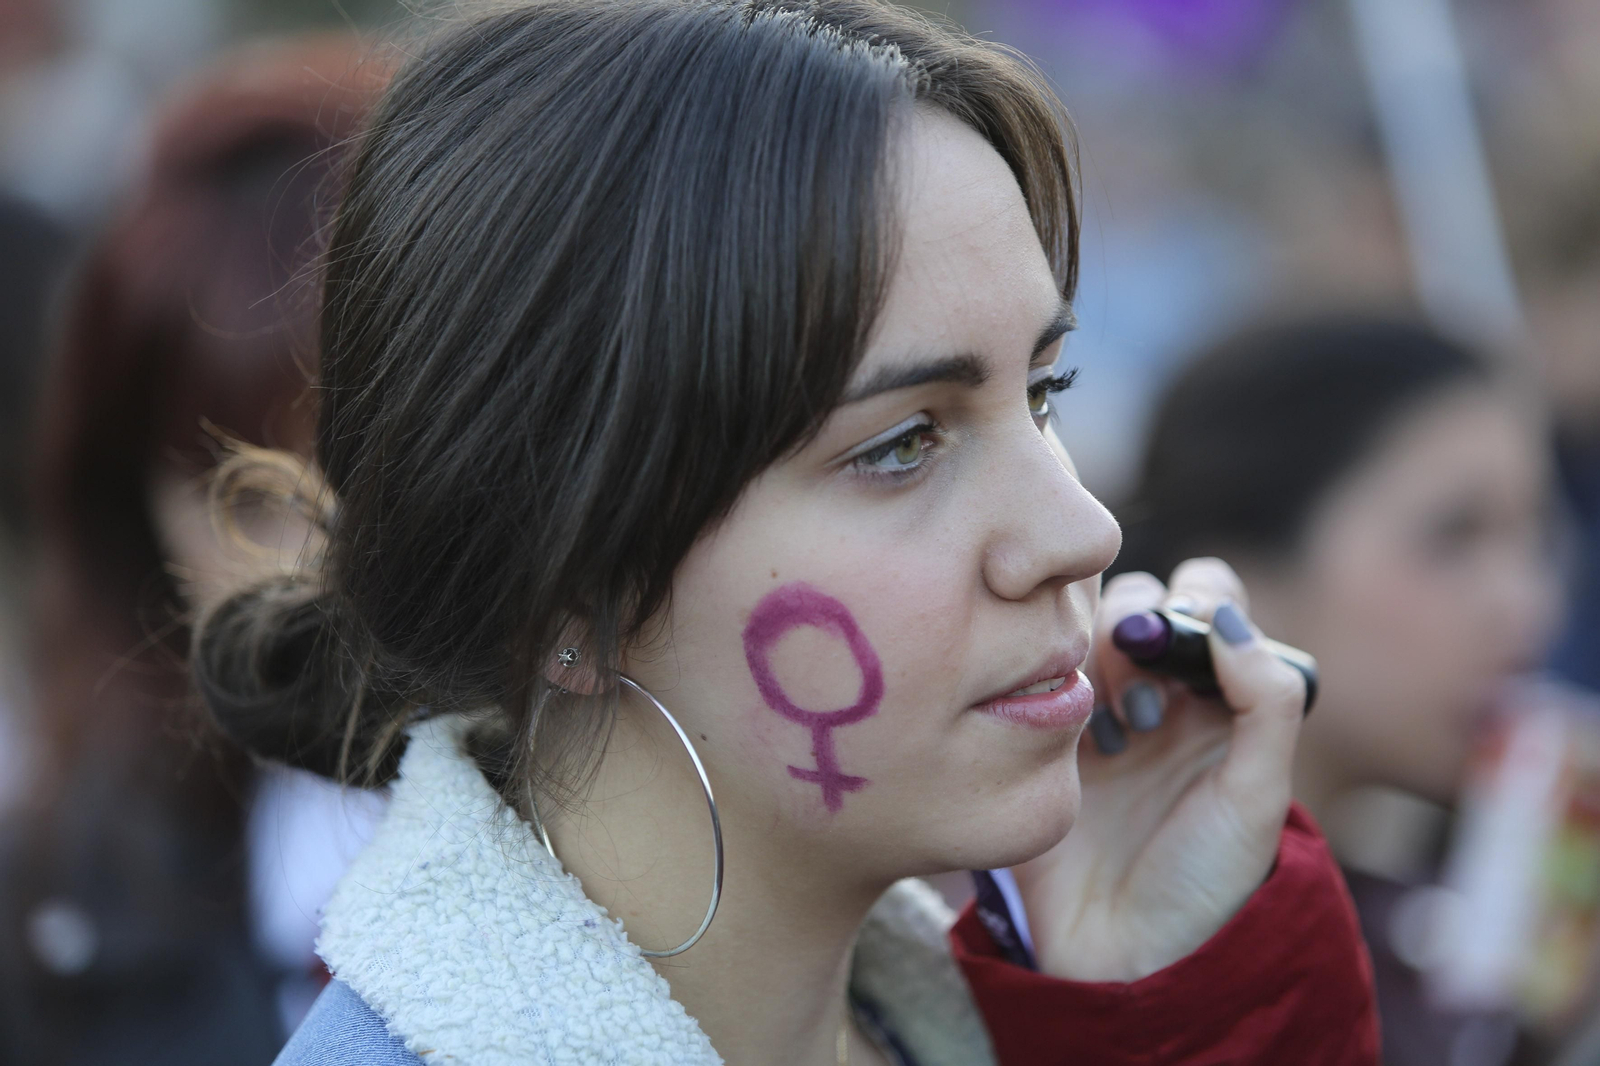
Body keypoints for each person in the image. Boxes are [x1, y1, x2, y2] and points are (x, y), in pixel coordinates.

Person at [193, 2, 1379, 1063]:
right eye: (903, 440)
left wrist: (1156, 1010)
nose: (1082, 527)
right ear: (570, 593)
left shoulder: (955, 1010)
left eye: (1044, 393)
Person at [0, 39, 382, 1064]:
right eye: (254, 505)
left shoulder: (657, 857)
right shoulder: (51, 909)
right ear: (141, 515)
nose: (325, 564)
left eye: (375, 481)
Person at [1113, 314, 1561, 1066]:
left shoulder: (1425, 922)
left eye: (1536, 532)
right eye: (1455, 536)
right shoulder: (1118, 940)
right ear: (1240, 573)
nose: (1526, 605)